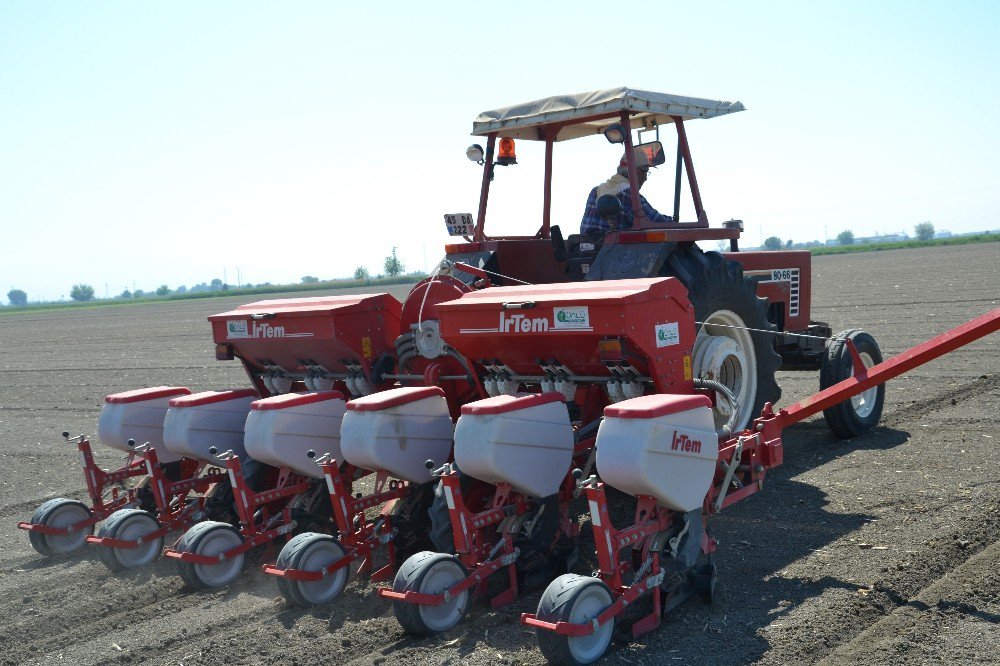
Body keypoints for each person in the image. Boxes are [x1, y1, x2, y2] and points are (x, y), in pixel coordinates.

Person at [580, 151, 673, 235]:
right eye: (645, 172)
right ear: (637, 171)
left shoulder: (595, 191)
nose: (645, 178)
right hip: (612, 251)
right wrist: (671, 221)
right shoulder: (628, 194)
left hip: (585, 250)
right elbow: (656, 222)